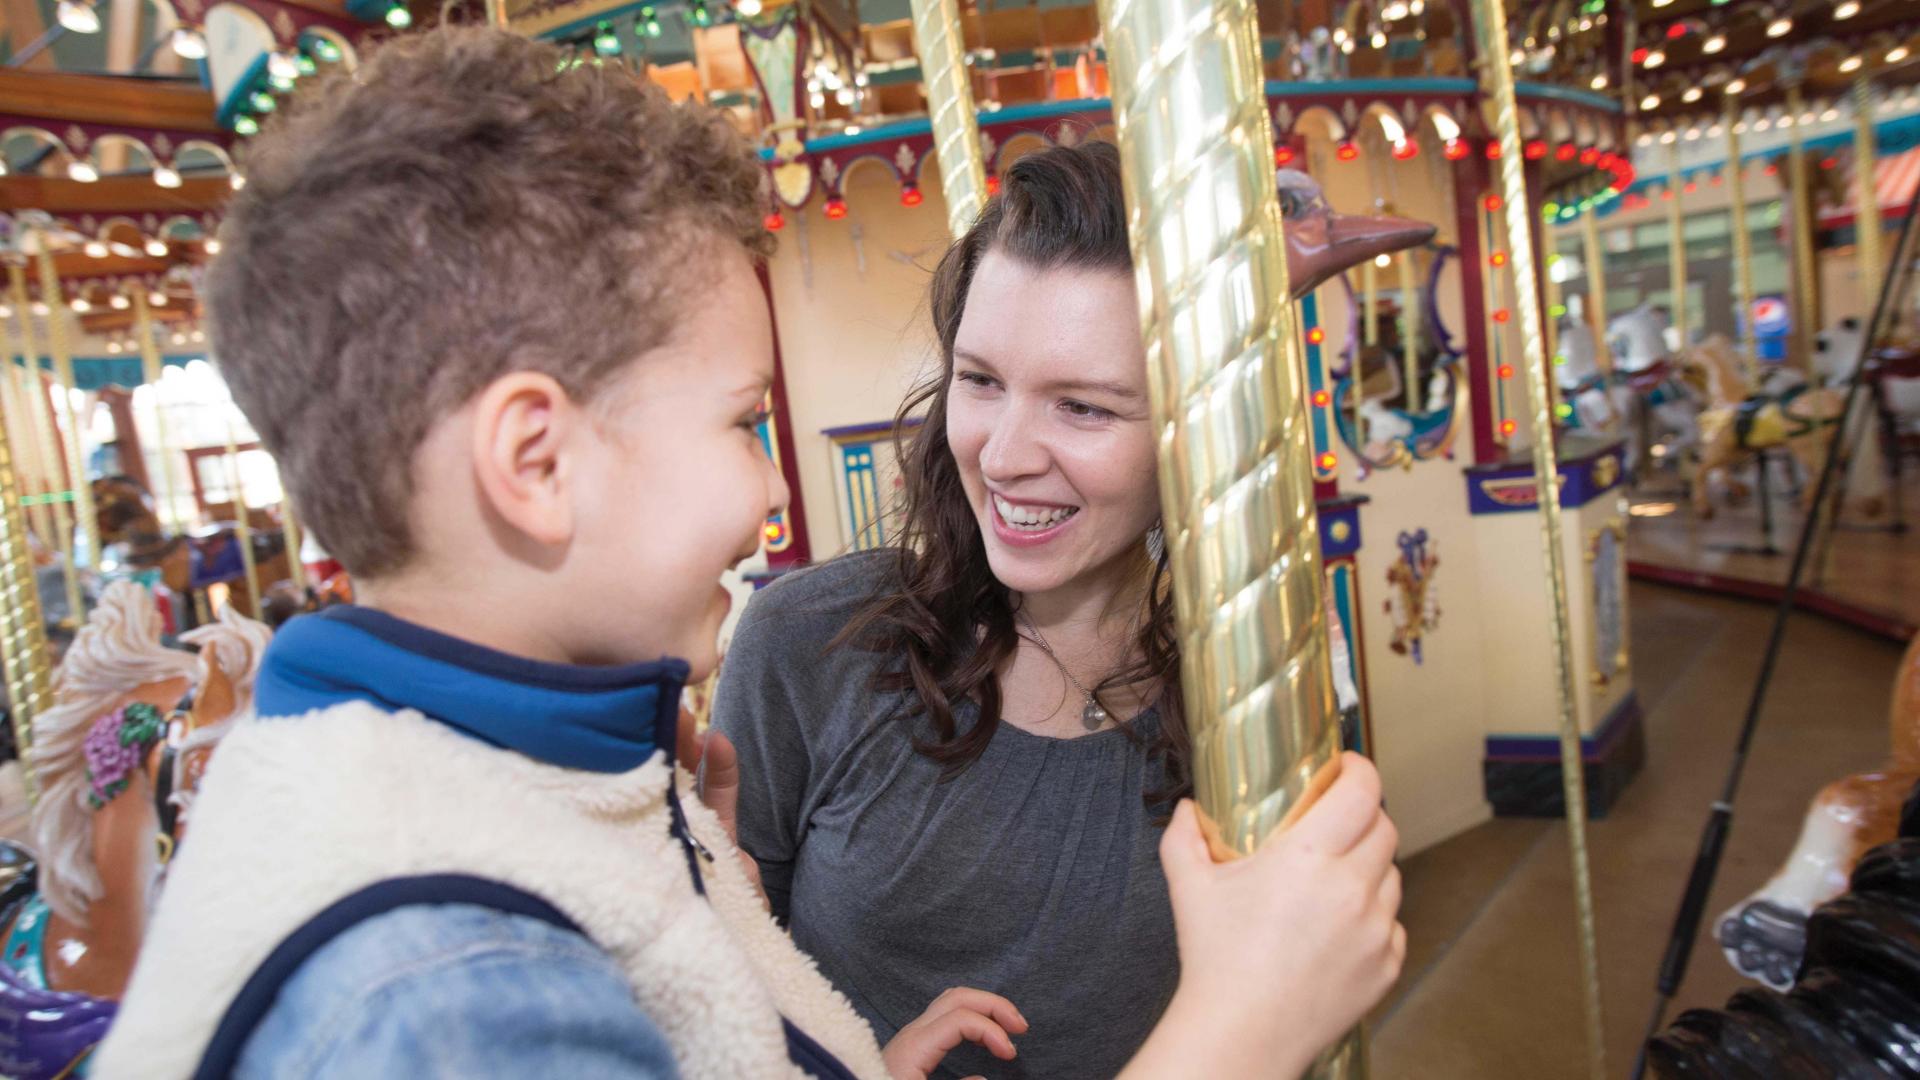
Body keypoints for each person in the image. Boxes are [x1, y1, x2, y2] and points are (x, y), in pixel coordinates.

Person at [714, 141, 1406, 1079]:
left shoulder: (1262, 691)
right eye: (982, 381)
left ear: (1192, 434)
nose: (1002, 456)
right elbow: (727, 994)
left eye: (1082, 407)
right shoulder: (806, 642)